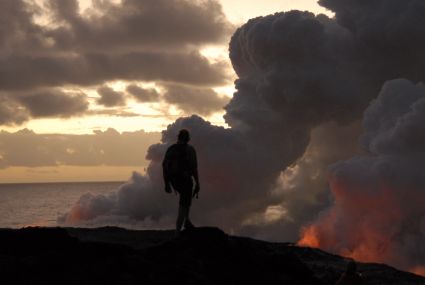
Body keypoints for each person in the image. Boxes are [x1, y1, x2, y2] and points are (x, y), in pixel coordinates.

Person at [162, 129, 200, 234]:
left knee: (185, 202)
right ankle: (178, 230)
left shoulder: (171, 149)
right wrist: (197, 183)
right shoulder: (190, 150)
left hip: (174, 181)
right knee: (183, 205)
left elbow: (164, 167)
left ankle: (187, 222)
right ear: (188, 138)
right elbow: (194, 168)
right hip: (185, 180)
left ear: (178, 137)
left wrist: (167, 184)